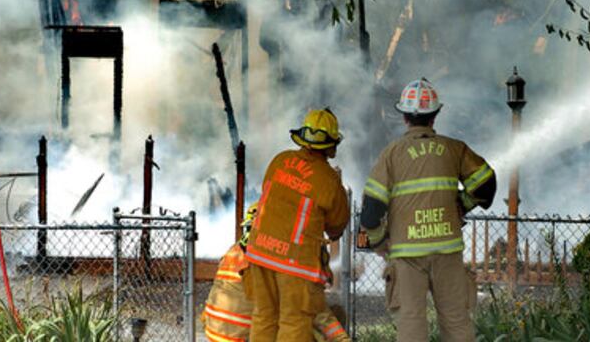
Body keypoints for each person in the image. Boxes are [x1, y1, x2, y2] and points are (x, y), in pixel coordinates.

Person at [360, 78, 496, 342]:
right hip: (447, 248)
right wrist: (462, 204)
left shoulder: (391, 154)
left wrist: (378, 241)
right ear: (434, 116)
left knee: (411, 323)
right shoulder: (454, 149)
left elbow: (371, 210)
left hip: (408, 253)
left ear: (404, 118)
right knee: (456, 320)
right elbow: (487, 184)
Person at [244, 108, 350, 341]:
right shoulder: (329, 180)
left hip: (260, 253)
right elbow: (336, 226)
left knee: (263, 317)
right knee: (294, 323)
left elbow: (270, 195)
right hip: (296, 263)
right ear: (331, 144)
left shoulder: (280, 160)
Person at [202, 204, 349, 342]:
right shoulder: (278, 259)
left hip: (214, 334)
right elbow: (316, 310)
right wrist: (342, 339)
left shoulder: (235, 251)